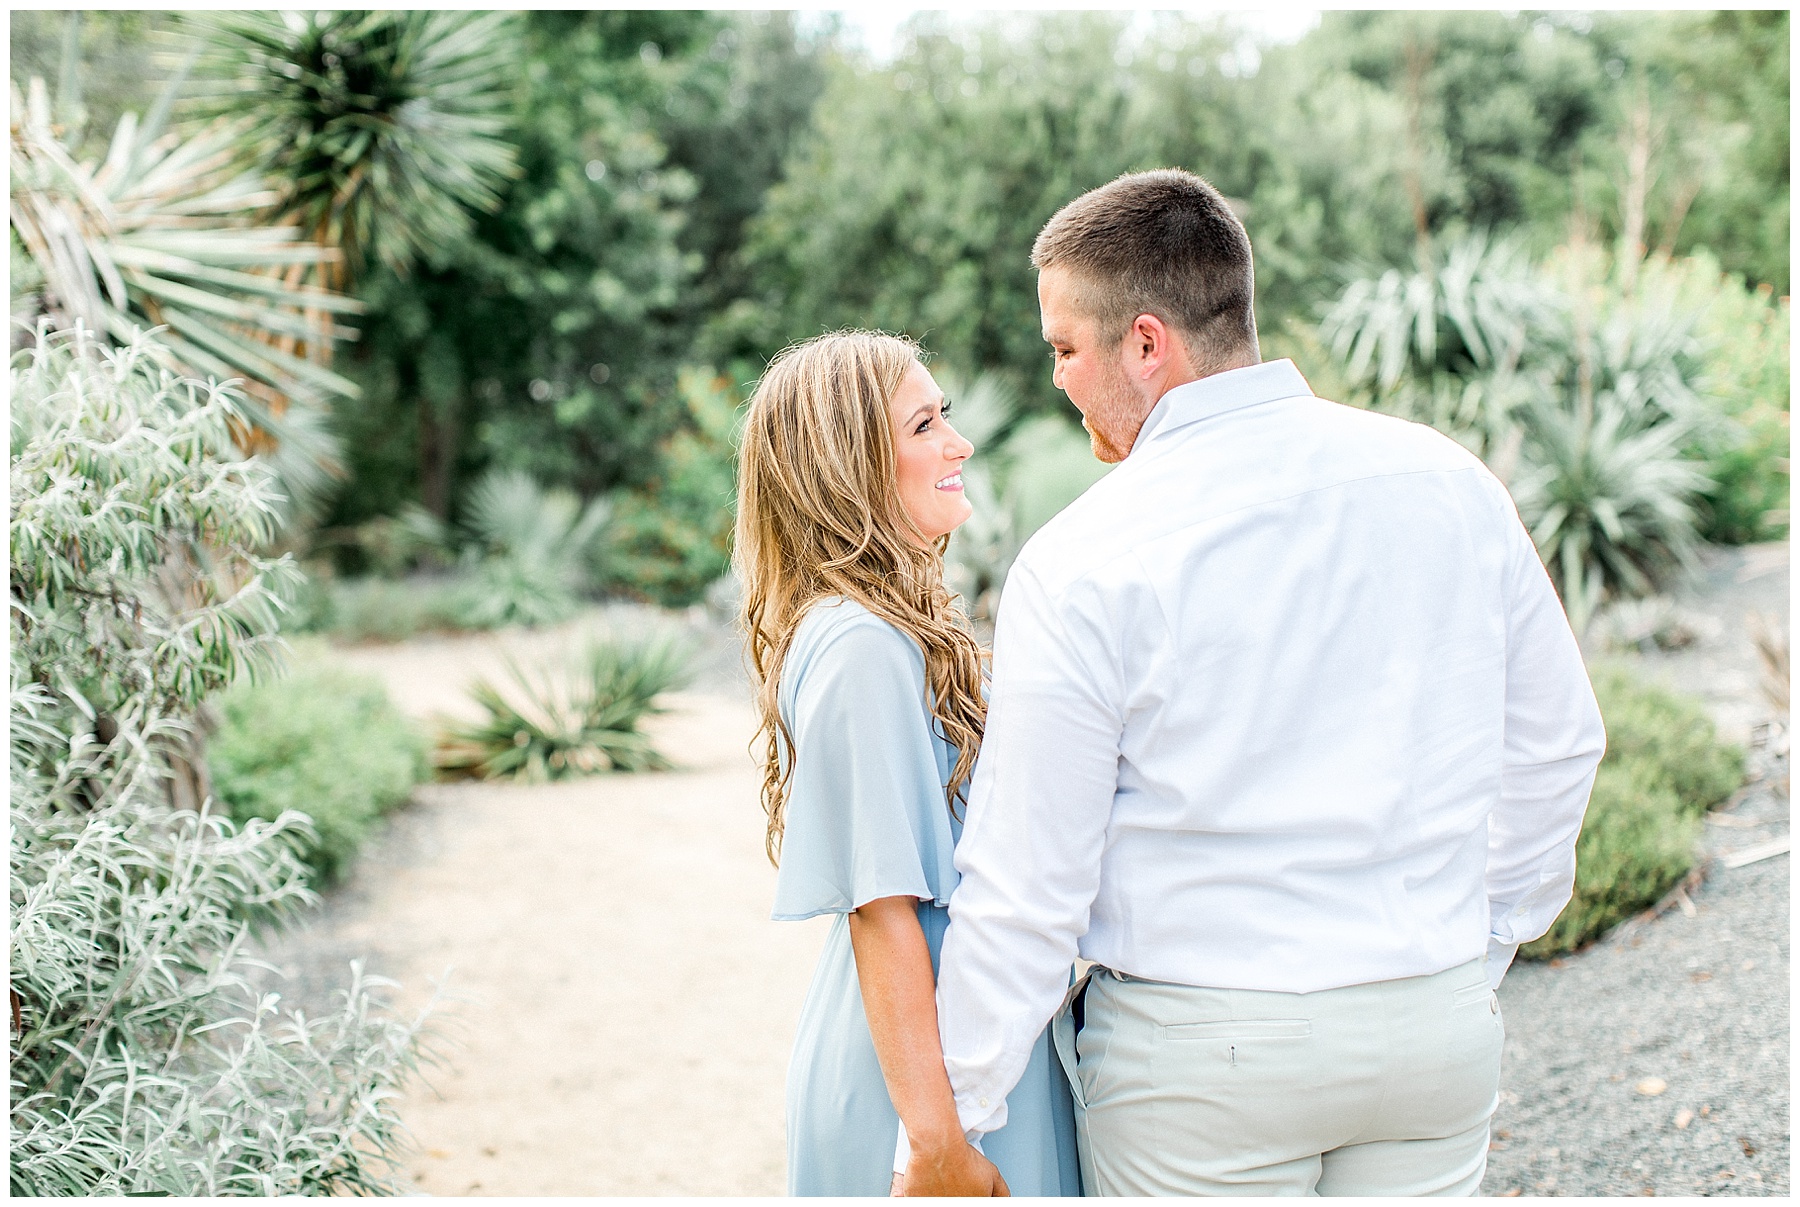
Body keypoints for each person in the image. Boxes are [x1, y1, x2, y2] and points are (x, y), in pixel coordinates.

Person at [929, 169, 1607, 1195]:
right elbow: (1557, 745)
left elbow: (1030, 883)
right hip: (1429, 1028)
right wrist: (1478, 946)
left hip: (1203, 1061)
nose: (1060, 380)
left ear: (1146, 342)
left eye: (1066, 348)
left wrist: (951, 1122)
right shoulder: (1449, 482)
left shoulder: (1085, 557)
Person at [734, 331, 1081, 1198]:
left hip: (964, 1044)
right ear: (847, 464)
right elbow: (882, 908)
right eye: (925, 425)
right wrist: (935, 1144)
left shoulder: (887, 631)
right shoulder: (860, 647)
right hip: (924, 1086)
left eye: (946, 417)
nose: (957, 443)